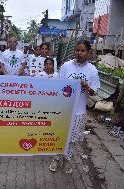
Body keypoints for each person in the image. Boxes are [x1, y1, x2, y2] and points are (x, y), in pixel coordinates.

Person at [49, 40, 100, 172]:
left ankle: (67, 160)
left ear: (88, 52)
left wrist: (86, 86)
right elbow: (58, 87)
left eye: (83, 51)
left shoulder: (92, 70)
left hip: (79, 111)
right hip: (64, 110)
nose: (79, 53)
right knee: (60, 135)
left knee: (72, 139)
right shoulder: (66, 66)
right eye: (77, 50)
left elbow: (93, 93)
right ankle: (56, 159)